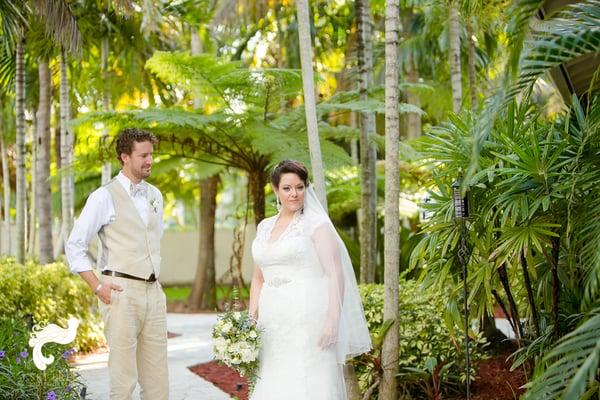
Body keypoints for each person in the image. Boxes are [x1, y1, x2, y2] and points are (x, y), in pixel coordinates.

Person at [248, 160, 372, 400]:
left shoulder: (317, 225)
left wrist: (333, 319)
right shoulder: (264, 227)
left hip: (308, 316)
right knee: (275, 380)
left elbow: (335, 273)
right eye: (287, 188)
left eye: (300, 187)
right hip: (272, 319)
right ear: (275, 190)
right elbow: (257, 278)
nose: (294, 193)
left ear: (306, 188)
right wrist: (251, 319)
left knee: (309, 382)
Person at [66, 128, 168, 400]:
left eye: (151, 155)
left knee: (158, 383)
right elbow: (74, 246)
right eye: (143, 155)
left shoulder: (155, 195)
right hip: (121, 292)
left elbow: (152, 240)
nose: (150, 161)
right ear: (125, 157)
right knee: (123, 382)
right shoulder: (104, 196)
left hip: (154, 293)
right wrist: (97, 285)